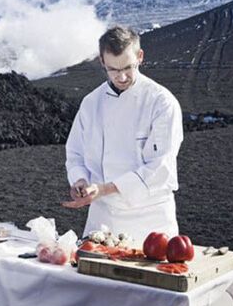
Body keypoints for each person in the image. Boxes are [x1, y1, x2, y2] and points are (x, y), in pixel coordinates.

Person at [62, 26, 183, 244]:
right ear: (102, 62)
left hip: (150, 221)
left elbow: (161, 166)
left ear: (140, 56)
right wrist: (80, 181)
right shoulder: (91, 103)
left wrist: (104, 189)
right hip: (102, 218)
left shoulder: (161, 102)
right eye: (113, 70)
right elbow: (75, 153)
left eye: (128, 67)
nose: (122, 76)